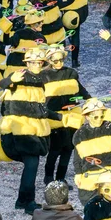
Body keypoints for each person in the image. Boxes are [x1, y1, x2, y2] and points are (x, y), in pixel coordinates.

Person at [0, 47, 63, 215]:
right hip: (21, 130)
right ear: (27, 63)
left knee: (31, 166)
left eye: (39, 63)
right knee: (31, 165)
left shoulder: (41, 81)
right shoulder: (19, 76)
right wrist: (10, 80)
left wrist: (57, 116)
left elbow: (39, 108)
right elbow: (3, 85)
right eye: (32, 62)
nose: (36, 65)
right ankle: (28, 202)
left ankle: (21, 200)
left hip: (34, 130)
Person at [72, 98, 111, 206]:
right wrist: (78, 174)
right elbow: (77, 158)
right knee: (98, 208)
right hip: (95, 179)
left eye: (102, 116)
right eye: (96, 117)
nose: (99, 120)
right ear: (87, 116)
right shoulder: (80, 135)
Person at [41, 45, 91, 186]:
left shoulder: (71, 73)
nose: (59, 63)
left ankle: (61, 178)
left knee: (68, 149)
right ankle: (48, 177)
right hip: (54, 117)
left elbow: (80, 89)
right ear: (49, 60)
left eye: (61, 59)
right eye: (55, 60)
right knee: (55, 150)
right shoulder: (43, 76)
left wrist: (90, 100)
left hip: (72, 116)